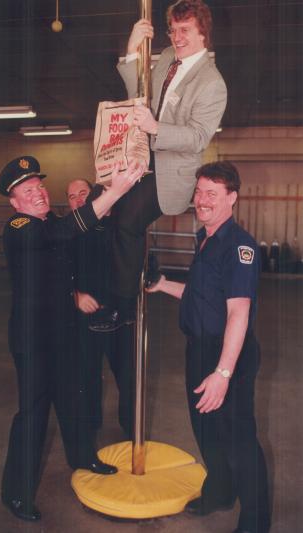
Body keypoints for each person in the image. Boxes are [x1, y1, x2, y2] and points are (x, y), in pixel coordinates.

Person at [0, 156, 143, 522]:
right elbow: (63, 232)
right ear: (14, 202)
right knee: (32, 414)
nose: (38, 194)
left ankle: (82, 457)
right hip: (33, 340)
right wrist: (116, 192)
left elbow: (68, 258)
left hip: (63, 333)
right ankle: (15, 494)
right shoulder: (19, 226)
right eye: (28, 191)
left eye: (40, 187)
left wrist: (76, 293)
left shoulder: (51, 225)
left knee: (73, 398)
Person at [147, 161, 271, 533]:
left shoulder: (239, 247)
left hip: (227, 354)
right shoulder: (205, 239)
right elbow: (201, 297)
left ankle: (255, 522)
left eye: (211, 194)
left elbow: (237, 313)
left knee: (239, 441)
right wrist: (163, 285)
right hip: (198, 350)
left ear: (231, 198)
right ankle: (219, 493)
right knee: (206, 431)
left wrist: (222, 373)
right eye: (199, 192)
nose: (202, 201)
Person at [92, 0, 227, 331]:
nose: (176, 38)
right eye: (172, 30)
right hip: (143, 155)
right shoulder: (167, 57)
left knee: (127, 220)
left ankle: (123, 307)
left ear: (203, 33)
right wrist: (133, 48)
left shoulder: (212, 83)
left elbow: (197, 138)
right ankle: (137, 270)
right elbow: (141, 95)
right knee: (105, 207)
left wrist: (155, 129)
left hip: (173, 174)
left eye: (184, 31)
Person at [67, 179, 134, 436]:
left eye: (83, 193)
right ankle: (88, 434)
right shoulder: (67, 233)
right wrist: (75, 295)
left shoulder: (121, 227)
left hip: (121, 318)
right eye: (72, 197)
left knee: (128, 379)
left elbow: (144, 261)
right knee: (87, 380)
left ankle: (132, 434)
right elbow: (53, 276)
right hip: (85, 321)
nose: (79, 200)